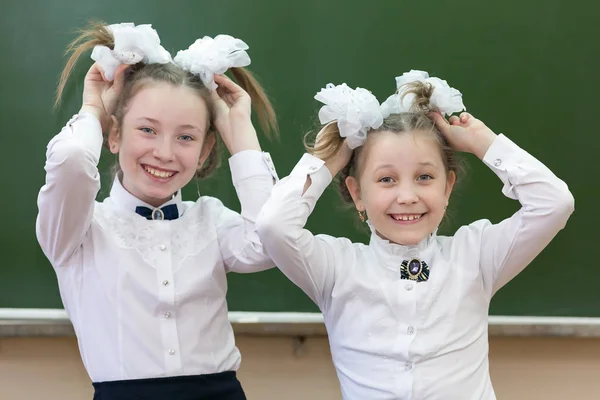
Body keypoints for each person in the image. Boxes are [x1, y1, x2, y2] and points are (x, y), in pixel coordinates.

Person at [256, 70, 575, 399]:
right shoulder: (336, 268)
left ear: (447, 186)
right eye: (386, 180)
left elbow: (554, 203)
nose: (407, 196)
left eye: (424, 176)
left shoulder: (476, 254)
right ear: (356, 193)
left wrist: (482, 142)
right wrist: (328, 162)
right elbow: (273, 226)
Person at [36, 21, 278, 400]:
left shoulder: (211, 220)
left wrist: (240, 134)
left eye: (186, 137)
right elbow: (69, 161)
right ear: (113, 135)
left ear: (204, 151)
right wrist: (91, 111)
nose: (165, 153)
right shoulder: (78, 229)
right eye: (147, 130)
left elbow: (273, 240)